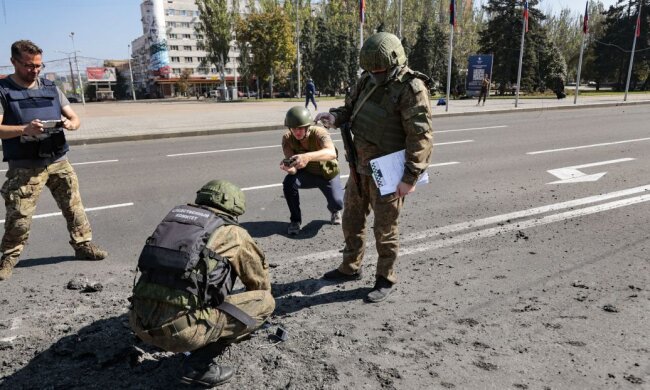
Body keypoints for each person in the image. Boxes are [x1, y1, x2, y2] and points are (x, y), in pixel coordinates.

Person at [315, 32, 433, 303]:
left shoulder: (411, 88)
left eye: (380, 69)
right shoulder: (366, 80)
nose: (376, 74)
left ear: (395, 62)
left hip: (389, 174)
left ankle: (385, 277)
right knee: (351, 220)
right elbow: (350, 110)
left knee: (385, 227)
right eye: (371, 69)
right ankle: (350, 267)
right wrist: (334, 117)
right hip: (360, 168)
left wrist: (411, 176)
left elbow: (421, 136)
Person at [129, 180, 275, 388]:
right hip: (183, 335)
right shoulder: (234, 233)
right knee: (265, 302)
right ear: (234, 205)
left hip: (138, 323)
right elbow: (259, 284)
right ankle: (197, 365)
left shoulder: (174, 222)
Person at [0, 40, 107, 281]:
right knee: (19, 216)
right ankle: (8, 257)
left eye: (38, 65)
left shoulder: (51, 87)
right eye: (28, 65)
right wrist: (24, 129)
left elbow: (74, 118)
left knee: (74, 207)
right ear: (14, 61)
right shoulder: (3, 90)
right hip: (26, 167)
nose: (34, 70)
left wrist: (71, 124)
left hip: (58, 160)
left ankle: (83, 246)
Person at [281, 106, 343, 236]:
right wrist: (289, 169)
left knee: (337, 202)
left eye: (300, 128)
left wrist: (307, 156)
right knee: (289, 183)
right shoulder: (287, 138)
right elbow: (293, 168)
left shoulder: (319, 133)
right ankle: (295, 220)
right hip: (307, 174)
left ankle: (335, 210)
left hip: (327, 173)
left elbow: (331, 152)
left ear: (308, 126)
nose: (297, 132)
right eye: (293, 128)